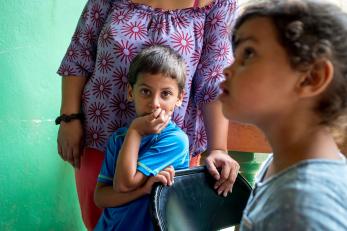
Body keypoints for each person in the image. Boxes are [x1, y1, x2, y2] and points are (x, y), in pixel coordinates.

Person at [56, 0, 240, 229]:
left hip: (168, 149)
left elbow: (214, 78)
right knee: (101, 222)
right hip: (101, 138)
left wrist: (218, 148)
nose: (154, 103)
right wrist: (69, 118)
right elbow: (79, 54)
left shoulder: (218, 3)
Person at [220, 0, 347, 230]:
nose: (227, 69)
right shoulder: (281, 163)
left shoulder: (303, 207)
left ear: (311, 78)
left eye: (248, 54)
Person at [93, 45, 189, 230]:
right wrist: (143, 190)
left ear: (179, 98)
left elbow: (123, 184)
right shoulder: (119, 138)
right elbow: (100, 197)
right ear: (131, 92)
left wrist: (136, 131)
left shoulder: (176, 141)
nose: (154, 103)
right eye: (146, 91)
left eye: (166, 94)